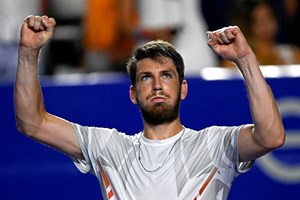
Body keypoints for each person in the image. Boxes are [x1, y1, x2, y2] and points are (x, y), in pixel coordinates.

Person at [14, 15, 285, 199]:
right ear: (133, 93)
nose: (157, 85)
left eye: (166, 75)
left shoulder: (214, 145)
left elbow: (271, 137)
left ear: (183, 89)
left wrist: (246, 60)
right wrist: (28, 53)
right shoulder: (108, 147)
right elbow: (32, 123)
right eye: (146, 77)